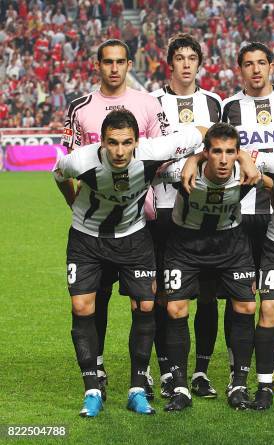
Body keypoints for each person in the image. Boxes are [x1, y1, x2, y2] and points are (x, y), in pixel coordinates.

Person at [53, 109, 206, 417]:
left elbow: (204, 130)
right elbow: (59, 173)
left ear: (138, 141)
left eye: (126, 143)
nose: (120, 151)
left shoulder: (154, 151)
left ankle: (137, 389)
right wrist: (73, 202)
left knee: (145, 307)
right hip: (86, 238)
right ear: (102, 142)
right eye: (113, 143)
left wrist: (193, 159)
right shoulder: (81, 160)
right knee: (83, 308)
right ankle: (92, 390)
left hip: (134, 239)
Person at [61, 39, 170, 401]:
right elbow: (66, 162)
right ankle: (98, 367)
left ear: (128, 64)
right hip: (91, 224)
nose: (114, 68)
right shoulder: (80, 107)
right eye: (107, 61)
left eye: (120, 61)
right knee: (95, 300)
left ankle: (143, 377)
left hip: (139, 218)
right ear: (98, 65)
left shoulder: (147, 103)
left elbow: (163, 151)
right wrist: (74, 200)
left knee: (145, 302)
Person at [159, 123, 263, 412]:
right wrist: (191, 160)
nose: (223, 159)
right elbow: (152, 167)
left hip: (231, 243)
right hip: (185, 244)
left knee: (246, 308)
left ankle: (239, 385)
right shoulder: (181, 172)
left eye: (230, 152)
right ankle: (180, 387)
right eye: (216, 152)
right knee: (175, 309)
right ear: (206, 153)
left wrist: (246, 160)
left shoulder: (249, 169)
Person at [222, 42, 274, 396]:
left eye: (261, 63)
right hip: (239, 215)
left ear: (272, 66)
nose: (255, 70)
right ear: (240, 69)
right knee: (238, 295)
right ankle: (236, 368)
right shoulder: (230, 107)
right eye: (248, 64)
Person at [149, 33, 222, 399]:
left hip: (205, 214)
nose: (187, 63)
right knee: (165, 295)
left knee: (207, 294)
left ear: (200, 62)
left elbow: (221, 149)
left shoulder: (214, 102)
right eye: (180, 57)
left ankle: (201, 371)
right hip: (162, 208)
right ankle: (166, 370)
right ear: (170, 63)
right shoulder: (153, 102)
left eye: (193, 57)